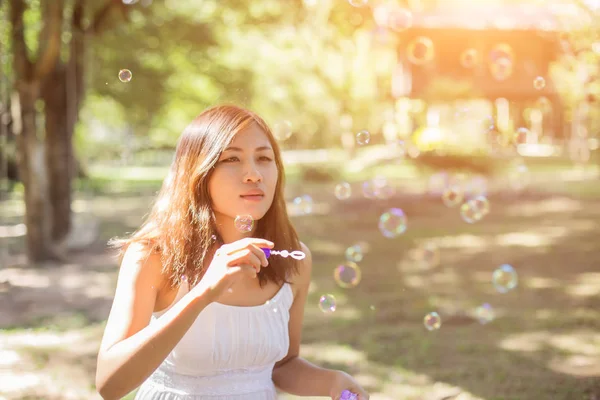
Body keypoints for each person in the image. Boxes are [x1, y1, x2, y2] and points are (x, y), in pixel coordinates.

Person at [95, 105, 369, 400]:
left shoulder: (294, 261)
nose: (253, 174)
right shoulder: (154, 254)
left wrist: (330, 382)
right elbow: (111, 384)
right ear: (199, 172)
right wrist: (202, 294)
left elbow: (281, 366)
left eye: (264, 158)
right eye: (231, 159)